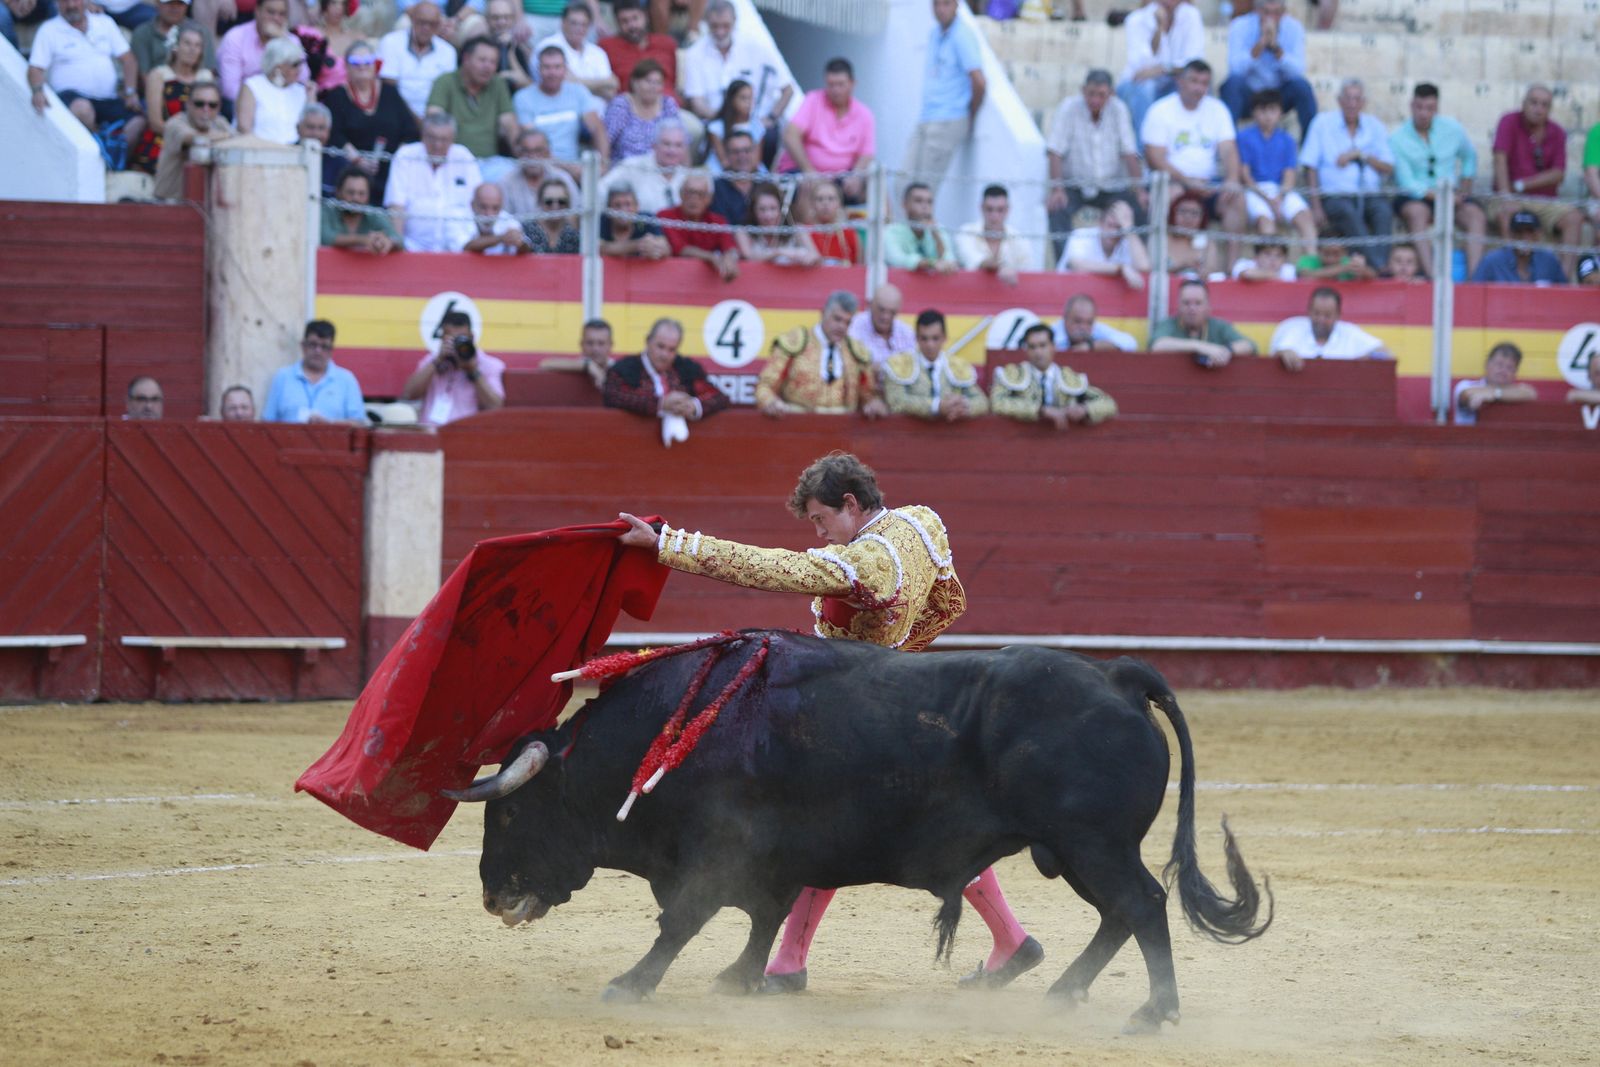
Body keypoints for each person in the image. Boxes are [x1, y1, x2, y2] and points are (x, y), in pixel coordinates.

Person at [613, 452, 1042, 994]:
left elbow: (767, 568)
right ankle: (794, 961)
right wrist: (898, 654)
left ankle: (795, 962)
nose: (818, 534)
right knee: (875, 829)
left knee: (844, 828)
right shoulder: (920, 522)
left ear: (851, 504)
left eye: (821, 519)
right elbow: (947, 600)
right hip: (894, 699)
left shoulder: (866, 563)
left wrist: (668, 545)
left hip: (860, 718)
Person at [1140, 60, 1245, 269]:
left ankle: (1232, 269)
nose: (1199, 88)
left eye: (1204, 83)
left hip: (1208, 185)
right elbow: (1154, 158)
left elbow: (1228, 149)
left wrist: (1232, 179)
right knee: (1169, 195)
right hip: (1173, 182)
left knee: (1236, 198)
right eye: (1194, 81)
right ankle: (1162, 265)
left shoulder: (1218, 109)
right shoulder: (1160, 110)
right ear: (1180, 81)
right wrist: (1187, 181)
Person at [1391, 83, 1488, 279]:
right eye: (1419, 107)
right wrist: (1442, 197)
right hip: (1417, 196)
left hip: (1452, 194)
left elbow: (1469, 157)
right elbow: (1407, 183)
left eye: (1429, 108)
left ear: (1437, 108)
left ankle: (1474, 280)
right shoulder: (1397, 138)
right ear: (1411, 106)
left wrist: (1465, 186)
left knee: (1476, 216)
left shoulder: (1452, 129)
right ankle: (1432, 277)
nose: (1423, 113)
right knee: (1417, 214)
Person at [1045, 69, 1144, 262]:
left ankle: (1135, 264)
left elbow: (1129, 152)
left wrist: (1139, 190)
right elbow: (1055, 151)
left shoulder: (1119, 109)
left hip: (1111, 187)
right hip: (1075, 185)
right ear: (1083, 90)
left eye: (1101, 95)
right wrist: (1057, 189)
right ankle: (1066, 265)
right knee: (1057, 209)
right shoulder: (1069, 108)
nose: (1095, 100)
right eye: (1091, 93)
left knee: (1139, 208)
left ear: (1111, 94)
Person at [26, 0, 148, 150]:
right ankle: (99, 146)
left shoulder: (104, 22)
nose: (71, 6)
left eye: (75, 0)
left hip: (107, 98)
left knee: (138, 121)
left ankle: (113, 156)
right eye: (64, 1)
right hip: (72, 98)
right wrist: (37, 91)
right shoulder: (49, 30)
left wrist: (130, 92)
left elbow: (128, 60)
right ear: (56, 4)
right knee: (83, 109)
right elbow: (35, 68)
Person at [1301, 78, 1395, 271]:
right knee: (1347, 213)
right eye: (1348, 98)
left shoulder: (1374, 126)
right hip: (1335, 195)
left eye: (1357, 99)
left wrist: (1361, 155)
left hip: (1369, 194)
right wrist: (1316, 206)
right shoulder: (1322, 123)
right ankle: (1378, 267)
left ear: (1363, 102)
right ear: (1339, 101)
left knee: (1383, 212)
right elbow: (1310, 166)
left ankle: (1377, 264)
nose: (1352, 104)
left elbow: (1388, 166)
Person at [1493, 84, 1585, 279]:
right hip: (1510, 197)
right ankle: (1512, 279)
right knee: (1507, 213)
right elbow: (1500, 160)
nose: (1538, 109)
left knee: (1574, 218)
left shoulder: (1557, 132)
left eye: (1544, 105)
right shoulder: (1508, 121)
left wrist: (1521, 185)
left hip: (1544, 201)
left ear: (1550, 109)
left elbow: (1558, 174)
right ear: (1523, 103)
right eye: (1534, 102)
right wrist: (1506, 195)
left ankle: (1561, 282)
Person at [680, 0, 791, 152]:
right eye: (715, 26)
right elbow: (697, 102)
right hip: (717, 123)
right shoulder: (695, 53)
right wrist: (725, 119)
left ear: (734, 21)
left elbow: (787, 89)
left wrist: (771, 118)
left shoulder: (756, 47)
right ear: (706, 22)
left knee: (770, 136)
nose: (720, 32)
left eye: (725, 26)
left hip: (757, 124)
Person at [901, 0, 985, 198]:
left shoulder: (962, 35)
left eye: (946, 4)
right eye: (936, 4)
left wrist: (970, 114)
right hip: (927, 117)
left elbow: (979, 82)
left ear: (957, 5)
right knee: (903, 186)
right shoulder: (935, 33)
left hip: (948, 119)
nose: (940, 9)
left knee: (923, 193)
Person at [756, 291, 886, 417]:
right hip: (798, 425)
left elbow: (868, 395)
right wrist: (770, 402)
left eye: (847, 322)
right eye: (837, 319)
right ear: (823, 313)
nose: (842, 326)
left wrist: (873, 403)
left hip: (842, 427)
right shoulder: (796, 343)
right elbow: (765, 386)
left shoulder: (856, 352)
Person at [323, 40, 420, 205]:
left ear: (375, 65)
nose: (362, 66)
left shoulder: (390, 93)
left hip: (390, 171)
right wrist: (358, 161)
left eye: (368, 61)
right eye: (355, 62)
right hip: (350, 172)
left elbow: (410, 131)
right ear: (346, 66)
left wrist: (397, 161)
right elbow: (334, 135)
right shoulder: (336, 96)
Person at [778, 58, 874, 207]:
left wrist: (855, 176)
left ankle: (884, 222)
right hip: (804, 174)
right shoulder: (813, 100)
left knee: (876, 185)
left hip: (842, 180)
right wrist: (808, 170)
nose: (835, 90)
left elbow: (867, 154)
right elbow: (790, 135)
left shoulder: (864, 114)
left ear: (852, 84)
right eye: (831, 84)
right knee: (807, 189)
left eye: (840, 84)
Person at [384, 113, 485, 252]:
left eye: (444, 139)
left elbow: (480, 202)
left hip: (460, 248)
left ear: (453, 139)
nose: (438, 145)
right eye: (432, 138)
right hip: (413, 247)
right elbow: (396, 206)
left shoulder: (464, 157)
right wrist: (400, 249)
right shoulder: (405, 156)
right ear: (422, 136)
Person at [1237, 89, 1317, 260]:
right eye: (1262, 110)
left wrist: (1279, 197)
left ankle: (1311, 263)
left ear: (1280, 112)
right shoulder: (1244, 137)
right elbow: (1245, 175)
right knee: (1265, 222)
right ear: (1254, 113)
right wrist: (1268, 200)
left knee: (1305, 217)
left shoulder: (1287, 140)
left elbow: (1289, 175)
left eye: (1272, 110)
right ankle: (1271, 266)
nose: (1267, 116)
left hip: (1281, 190)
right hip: (1255, 190)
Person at [602, 317, 730, 423]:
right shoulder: (624, 368)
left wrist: (694, 406)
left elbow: (720, 397)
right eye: (660, 346)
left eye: (671, 349)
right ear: (648, 341)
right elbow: (614, 396)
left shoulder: (688, 369)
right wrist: (660, 404)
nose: (665, 355)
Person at [991, 322, 1118, 429]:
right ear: (1026, 350)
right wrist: (1041, 410)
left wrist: (1085, 409)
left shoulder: (1069, 377)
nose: (1038, 352)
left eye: (1043, 345)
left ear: (1053, 347)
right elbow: (996, 403)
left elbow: (1108, 403)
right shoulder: (1013, 374)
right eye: (1032, 347)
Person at [1219, 0, 1314, 134]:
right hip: (1250, 93)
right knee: (1232, 84)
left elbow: (1297, 71)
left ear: (1283, 12)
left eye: (1276, 13)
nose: (1271, 18)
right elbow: (1235, 68)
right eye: (1266, 12)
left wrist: (1276, 49)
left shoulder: (1294, 28)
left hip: (1279, 95)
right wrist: (1259, 46)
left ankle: (1310, 141)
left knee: (1302, 86)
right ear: (1257, 11)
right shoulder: (1240, 25)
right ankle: (1228, 140)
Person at [401, 309, 506, 424]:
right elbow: (409, 394)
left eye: (461, 339)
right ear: (442, 339)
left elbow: (495, 406)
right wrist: (437, 362)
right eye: (452, 340)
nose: (457, 346)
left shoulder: (489, 365)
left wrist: (473, 372)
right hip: (431, 430)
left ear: (471, 337)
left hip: (466, 431)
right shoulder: (432, 361)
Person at [882, 309, 988, 422]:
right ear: (916, 338)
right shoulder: (900, 364)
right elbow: (896, 401)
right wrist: (936, 406)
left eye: (935, 338)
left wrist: (962, 406)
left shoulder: (958, 366)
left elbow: (982, 402)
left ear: (944, 338)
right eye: (924, 338)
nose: (930, 345)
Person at [1116, 0, 1203, 136]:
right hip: (1134, 85)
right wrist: (1159, 29)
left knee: (1197, 83)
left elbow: (1194, 61)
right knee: (1145, 88)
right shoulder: (1136, 20)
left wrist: (1162, 69)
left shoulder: (1191, 15)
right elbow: (1141, 69)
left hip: (1172, 80)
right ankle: (1145, 145)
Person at [512, 46, 608, 167]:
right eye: (546, 67)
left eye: (557, 67)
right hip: (540, 166)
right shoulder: (523, 98)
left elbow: (597, 129)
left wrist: (603, 164)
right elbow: (533, 145)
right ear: (538, 69)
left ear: (565, 69)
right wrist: (570, 169)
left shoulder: (578, 92)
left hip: (574, 163)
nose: (552, 73)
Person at [427, 35, 517, 160]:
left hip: (489, 162)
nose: (488, 67)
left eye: (493, 62)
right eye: (482, 60)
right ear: (466, 59)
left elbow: (509, 123)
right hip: (453, 161)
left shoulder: (498, 84)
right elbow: (433, 118)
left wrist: (522, 158)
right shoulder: (445, 81)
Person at [136, 24, 211, 171]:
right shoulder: (159, 75)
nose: (192, 49)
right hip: (165, 140)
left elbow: (212, 117)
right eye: (187, 43)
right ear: (175, 47)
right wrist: (186, 138)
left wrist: (198, 139)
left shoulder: (205, 77)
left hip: (200, 141)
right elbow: (155, 123)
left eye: (197, 45)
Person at [262, 320, 367, 423]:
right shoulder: (283, 377)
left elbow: (358, 424)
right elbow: (267, 421)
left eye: (324, 346)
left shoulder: (346, 380)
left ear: (331, 350)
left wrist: (329, 425)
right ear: (303, 346)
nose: (318, 351)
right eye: (313, 345)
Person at [1269, 287, 1391, 372]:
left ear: (1338, 315)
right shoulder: (1292, 327)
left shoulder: (1350, 332)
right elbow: (1275, 353)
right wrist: (1283, 352)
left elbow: (1384, 353)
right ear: (1309, 311)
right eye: (1316, 313)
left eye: (1327, 315)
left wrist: (1357, 364)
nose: (1321, 320)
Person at [1149, 278, 1258, 369]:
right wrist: (1200, 346)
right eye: (1186, 303)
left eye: (1198, 303)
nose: (1192, 309)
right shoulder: (1169, 324)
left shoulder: (1218, 326)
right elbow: (1156, 345)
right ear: (1179, 306)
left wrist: (1225, 351)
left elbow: (1249, 345)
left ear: (1208, 307)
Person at [153, 78, 233, 199]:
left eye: (212, 105)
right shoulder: (175, 123)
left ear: (219, 107)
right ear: (188, 104)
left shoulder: (219, 123)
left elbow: (241, 140)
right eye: (199, 104)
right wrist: (227, 137)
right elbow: (195, 139)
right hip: (170, 202)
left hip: (204, 203)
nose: (206, 109)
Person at [378, 1, 457, 120]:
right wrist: (416, 121)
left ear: (439, 25)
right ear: (412, 20)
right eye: (422, 22)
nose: (426, 28)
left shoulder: (448, 51)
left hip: (434, 116)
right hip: (397, 113)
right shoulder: (390, 42)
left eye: (432, 24)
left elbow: (446, 92)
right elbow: (389, 88)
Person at [656, 171, 739, 279]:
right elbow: (680, 249)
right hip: (670, 277)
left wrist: (730, 258)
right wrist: (711, 257)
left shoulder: (718, 221)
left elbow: (730, 247)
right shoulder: (665, 216)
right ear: (680, 194)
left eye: (701, 194)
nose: (694, 198)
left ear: (709, 199)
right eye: (690, 192)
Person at [600, 0, 680, 108]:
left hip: (670, 107)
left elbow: (677, 82)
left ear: (645, 17)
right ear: (617, 23)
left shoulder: (666, 43)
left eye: (635, 18)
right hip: (629, 110)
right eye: (624, 21)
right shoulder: (607, 47)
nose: (632, 25)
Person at [216, 0, 296, 103]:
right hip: (245, 105)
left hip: (285, 103)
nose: (276, 18)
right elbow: (230, 89)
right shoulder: (235, 37)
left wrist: (282, 41)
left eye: (282, 14)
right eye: (271, 12)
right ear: (257, 11)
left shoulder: (290, 40)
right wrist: (263, 103)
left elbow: (303, 79)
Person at [600, 122, 689, 213]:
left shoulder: (687, 176)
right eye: (666, 144)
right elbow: (601, 189)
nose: (672, 150)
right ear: (654, 145)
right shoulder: (632, 167)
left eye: (678, 145)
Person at [535, 1, 617, 100]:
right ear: (563, 23)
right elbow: (562, 83)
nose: (578, 28)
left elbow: (610, 91)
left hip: (599, 107)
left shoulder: (598, 53)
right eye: (573, 23)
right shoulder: (547, 45)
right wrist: (603, 83)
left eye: (583, 24)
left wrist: (577, 81)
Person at [605, 58, 682, 163]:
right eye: (648, 81)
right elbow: (606, 140)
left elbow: (681, 141)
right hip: (626, 166)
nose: (653, 87)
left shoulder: (668, 104)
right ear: (634, 82)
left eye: (658, 83)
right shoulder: (621, 105)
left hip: (661, 168)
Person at [1058, 199, 1148, 288]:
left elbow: (1144, 267)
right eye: (1110, 225)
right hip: (1070, 291)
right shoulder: (1082, 235)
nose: (1114, 232)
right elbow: (1076, 264)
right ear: (1100, 223)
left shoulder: (1127, 242)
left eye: (1119, 227)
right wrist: (1120, 268)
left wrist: (1128, 229)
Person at [237, 34, 308, 145]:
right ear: (278, 66)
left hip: (295, 152)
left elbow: (310, 129)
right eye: (295, 64)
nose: (300, 69)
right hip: (258, 150)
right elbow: (244, 128)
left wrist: (311, 99)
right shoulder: (253, 86)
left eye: (301, 63)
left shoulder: (301, 91)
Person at [956, 184, 1032, 285]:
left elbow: (1026, 276)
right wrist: (1001, 266)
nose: (994, 216)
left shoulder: (1020, 239)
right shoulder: (966, 233)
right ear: (981, 208)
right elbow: (971, 259)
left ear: (1007, 210)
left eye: (1000, 210)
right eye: (989, 209)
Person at [499, 126, 580, 217]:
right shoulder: (507, 183)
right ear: (518, 154)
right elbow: (503, 220)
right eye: (526, 151)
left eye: (538, 151)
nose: (532, 156)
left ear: (548, 153)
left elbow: (575, 215)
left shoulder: (563, 178)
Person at [1471, 211, 1567, 285]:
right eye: (1519, 232)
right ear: (1511, 235)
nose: (1524, 237)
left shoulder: (1549, 261)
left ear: (1538, 235)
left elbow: (1564, 294)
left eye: (1530, 232)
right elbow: (1475, 290)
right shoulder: (1492, 261)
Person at [1452, 341, 1536, 426]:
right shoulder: (1466, 385)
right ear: (1487, 364)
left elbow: (1530, 393)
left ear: (1515, 372)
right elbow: (1466, 395)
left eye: (1509, 367)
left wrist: (1495, 394)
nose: (1503, 370)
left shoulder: (1516, 390)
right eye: (1499, 364)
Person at [322, 166, 401, 253]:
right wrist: (363, 240)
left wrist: (388, 242)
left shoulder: (374, 214)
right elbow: (325, 237)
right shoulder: (327, 210)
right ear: (338, 192)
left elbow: (398, 240)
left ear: (368, 195)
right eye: (350, 192)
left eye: (361, 193)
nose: (356, 198)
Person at [130, 0, 216, 79]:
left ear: (187, 6)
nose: (175, 8)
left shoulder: (201, 32)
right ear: (158, 3)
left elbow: (208, 71)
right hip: (156, 86)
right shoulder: (142, 33)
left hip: (196, 87)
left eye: (180, 3)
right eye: (169, 3)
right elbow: (144, 75)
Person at [885, 181, 958, 273]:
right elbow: (897, 260)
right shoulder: (891, 232)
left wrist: (936, 235)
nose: (925, 206)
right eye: (918, 201)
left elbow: (949, 261)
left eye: (929, 202)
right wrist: (931, 263)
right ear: (905, 204)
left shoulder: (939, 230)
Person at [847, 282, 914, 373]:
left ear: (898, 311)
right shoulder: (854, 326)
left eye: (892, 312)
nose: (885, 316)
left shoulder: (907, 333)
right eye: (881, 310)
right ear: (870, 305)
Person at [599, 181, 671, 259]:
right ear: (608, 208)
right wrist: (639, 245)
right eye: (617, 205)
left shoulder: (646, 219)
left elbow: (666, 248)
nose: (623, 210)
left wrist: (655, 249)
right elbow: (597, 248)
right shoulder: (600, 221)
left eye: (628, 204)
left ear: (637, 206)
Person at [297, 0, 357, 92]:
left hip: (349, 97)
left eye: (343, 4)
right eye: (333, 2)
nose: (339, 8)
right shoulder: (310, 35)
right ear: (324, 5)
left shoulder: (355, 38)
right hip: (320, 97)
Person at [709, 129, 766, 223]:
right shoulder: (716, 188)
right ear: (727, 155)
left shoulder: (766, 185)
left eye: (747, 150)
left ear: (755, 152)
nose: (742, 156)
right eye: (736, 152)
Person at [460, 181, 534, 253]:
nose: (489, 214)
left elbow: (526, 248)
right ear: (472, 205)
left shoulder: (508, 219)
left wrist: (519, 242)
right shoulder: (458, 219)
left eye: (495, 208)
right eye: (483, 207)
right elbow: (464, 247)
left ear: (501, 207)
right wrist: (501, 238)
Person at [705, 79, 759, 175]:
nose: (748, 103)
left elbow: (755, 162)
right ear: (732, 99)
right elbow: (724, 162)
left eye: (750, 98)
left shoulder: (757, 127)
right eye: (743, 98)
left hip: (750, 174)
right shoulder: (716, 128)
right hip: (721, 173)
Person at [1052, 292, 1137, 351]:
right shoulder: (1052, 333)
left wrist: (1092, 346)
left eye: (1089, 322)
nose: (1083, 327)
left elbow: (1130, 343)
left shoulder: (1096, 328)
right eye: (1078, 321)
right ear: (1065, 318)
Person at [804, 180, 860, 266]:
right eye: (820, 199)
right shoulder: (804, 231)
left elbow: (859, 264)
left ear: (839, 203)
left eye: (831, 199)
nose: (825, 203)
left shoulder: (849, 233)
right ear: (812, 204)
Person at [1230, 239, 1296, 282]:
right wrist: (1274, 275)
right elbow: (1246, 274)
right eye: (1267, 254)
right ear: (1256, 257)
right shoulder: (1243, 264)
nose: (1273, 259)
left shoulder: (1288, 269)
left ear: (1284, 259)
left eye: (1278, 255)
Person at [579, 317, 614, 389]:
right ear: (581, 344)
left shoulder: (619, 371)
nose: (595, 348)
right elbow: (553, 363)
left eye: (601, 343)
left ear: (610, 345)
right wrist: (588, 365)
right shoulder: (573, 366)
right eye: (590, 343)